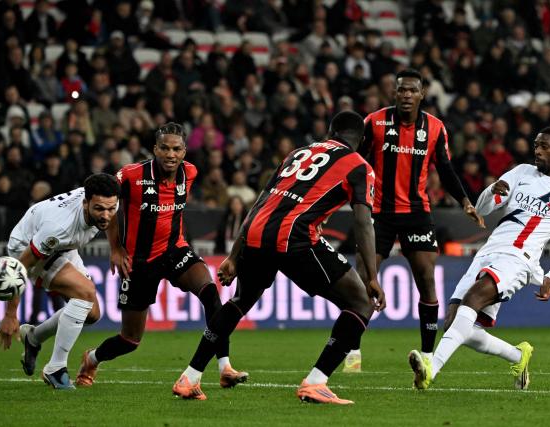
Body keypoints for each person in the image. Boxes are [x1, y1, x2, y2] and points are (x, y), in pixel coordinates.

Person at [172, 110, 386, 404]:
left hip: (258, 231)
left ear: (330, 131)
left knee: (240, 301)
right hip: (294, 237)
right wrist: (372, 276)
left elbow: (262, 199)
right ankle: (316, 381)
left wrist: (235, 254)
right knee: (361, 302)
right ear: (361, 140)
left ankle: (190, 376)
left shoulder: (299, 153)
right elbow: (362, 222)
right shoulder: (359, 166)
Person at [409, 127, 550, 390]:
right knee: (453, 322)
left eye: (545, 146)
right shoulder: (521, 172)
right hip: (488, 251)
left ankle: (430, 370)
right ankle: (518, 356)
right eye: (536, 144)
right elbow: (480, 210)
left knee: (472, 300)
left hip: (518, 259)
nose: (537, 150)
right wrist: (492, 190)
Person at [76, 123, 247, 388]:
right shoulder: (131, 175)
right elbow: (108, 202)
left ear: (184, 151)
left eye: (176, 149)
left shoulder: (189, 173)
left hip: (175, 250)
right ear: (155, 149)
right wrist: (116, 247)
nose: (170, 154)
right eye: (164, 148)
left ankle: (225, 367)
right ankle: (92, 358)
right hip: (139, 262)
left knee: (211, 294)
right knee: (130, 340)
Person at [344, 68, 484, 373]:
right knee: (362, 280)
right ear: (394, 94)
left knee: (426, 280)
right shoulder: (375, 122)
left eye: (412, 90)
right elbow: (355, 161)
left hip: (416, 213)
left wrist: (464, 201)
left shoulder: (435, 128)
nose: (406, 95)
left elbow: (445, 169)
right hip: (378, 213)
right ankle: (352, 350)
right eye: (401, 90)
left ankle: (427, 355)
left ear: (422, 94)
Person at [0, 173, 120, 389]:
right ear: (85, 202)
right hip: (25, 247)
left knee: (92, 313)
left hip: (62, 248)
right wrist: (10, 314)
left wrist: (116, 249)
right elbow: (20, 266)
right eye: (99, 209)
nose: (106, 215)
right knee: (85, 292)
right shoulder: (59, 227)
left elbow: (114, 217)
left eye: (111, 208)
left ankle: (33, 338)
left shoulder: (107, 203)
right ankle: (56, 368)